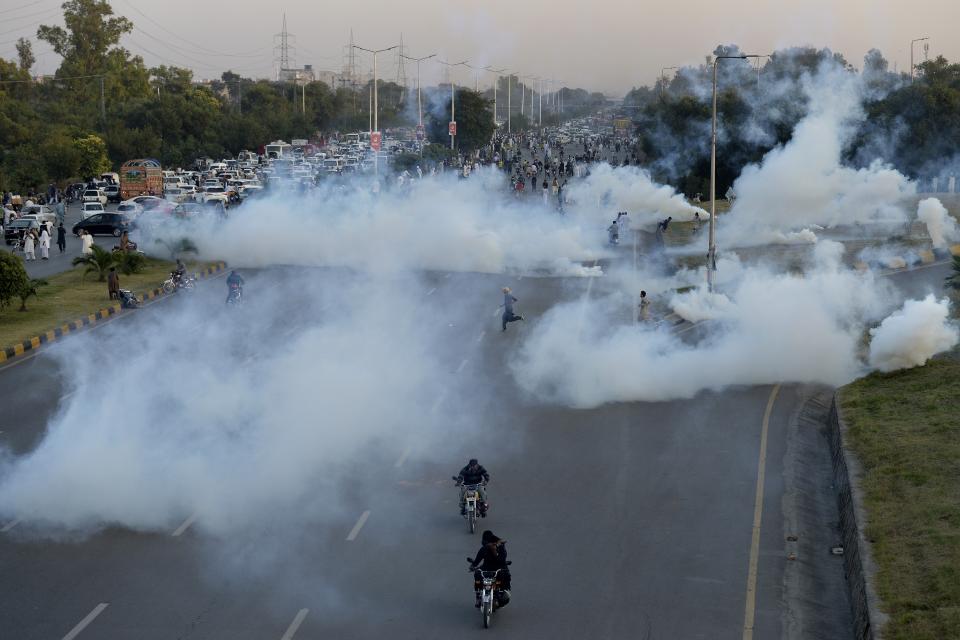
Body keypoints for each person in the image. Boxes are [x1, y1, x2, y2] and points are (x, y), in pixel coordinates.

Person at [469, 530, 511, 608]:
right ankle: (478, 596)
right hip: (486, 568)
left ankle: (501, 593)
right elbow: (477, 560)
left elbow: (501, 559)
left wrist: (494, 550)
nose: (489, 545)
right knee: (477, 574)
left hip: (499, 568)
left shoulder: (501, 548)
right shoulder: (484, 549)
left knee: (504, 576)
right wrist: (472, 566)